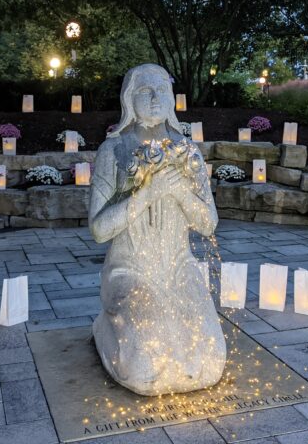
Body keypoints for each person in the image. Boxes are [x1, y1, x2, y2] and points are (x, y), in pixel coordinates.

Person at [89, 63, 226, 396]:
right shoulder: (114, 150)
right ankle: (104, 327)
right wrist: (146, 193)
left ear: (173, 99)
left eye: (162, 91)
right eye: (144, 91)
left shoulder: (189, 152)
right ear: (128, 99)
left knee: (208, 363)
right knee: (145, 370)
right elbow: (98, 229)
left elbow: (208, 223)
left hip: (178, 267)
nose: (154, 98)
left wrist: (178, 189)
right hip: (131, 270)